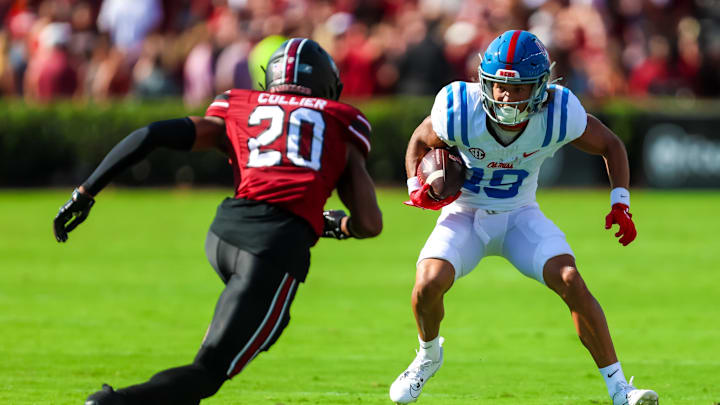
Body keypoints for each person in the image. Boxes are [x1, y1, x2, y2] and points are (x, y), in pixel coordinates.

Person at [52, 37, 382, 405]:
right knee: (208, 372)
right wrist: (339, 226)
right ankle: (111, 403)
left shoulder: (237, 104)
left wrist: (85, 192)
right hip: (273, 247)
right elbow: (370, 222)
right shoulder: (340, 120)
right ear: (327, 84)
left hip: (224, 235)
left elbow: (150, 134)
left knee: (265, 326)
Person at [388, 30, 658, 405]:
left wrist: (620, 201)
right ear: (485, 80)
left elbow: (610, 144)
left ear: (541, 86)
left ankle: (620, 389)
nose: (505, 96)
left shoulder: (559, 112)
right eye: (499, 86)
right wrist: (413, 184)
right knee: (427, 284)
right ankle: (428, 355)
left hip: (520, 216)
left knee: (570, 279)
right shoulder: (458, 108)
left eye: (518, 88)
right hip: (465, 212)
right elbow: (420, 139)